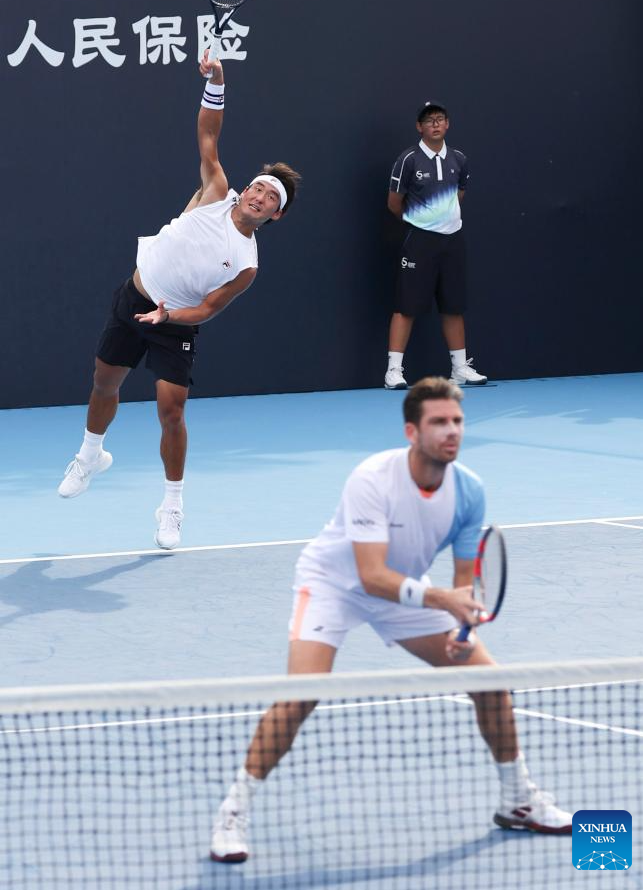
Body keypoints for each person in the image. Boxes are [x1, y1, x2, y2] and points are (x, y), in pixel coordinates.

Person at [209, 376, 571, 863]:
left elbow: (463, 584)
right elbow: (372, 575)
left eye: (457, 421)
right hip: (335, 586)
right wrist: (443, 600)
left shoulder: (469, 490)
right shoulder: (372, 479)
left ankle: (518, 800)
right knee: (300, 697)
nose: (452, 431)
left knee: (491, 683)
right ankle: (233, 811)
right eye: (439, 422)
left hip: (408, 592)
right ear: (411, 432)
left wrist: (464, 631)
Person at [57, 53, 301, 550]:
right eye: (258, 188)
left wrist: (169, 315)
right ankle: (90, 455)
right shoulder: (216, 191)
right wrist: (218, 80)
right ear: (245, 190)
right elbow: (208, 133)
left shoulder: (247, 264)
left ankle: (172, 505)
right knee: (104, 382)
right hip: (134, 298)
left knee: (171, 411)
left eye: (270, 198)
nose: (259, 197)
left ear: (275, 215)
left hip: (175, 323)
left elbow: (207, 310)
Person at [384, 102, 487, 390]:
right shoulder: (408, 160)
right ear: (420, 127)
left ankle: (459, 369)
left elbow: (459, 194)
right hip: (420, 240)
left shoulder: (459, 159)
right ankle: (393, 371)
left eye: (440, 119)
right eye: (429, 120)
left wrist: (443, 219)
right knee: (406, 306)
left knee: (453, 305)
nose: (435, 124)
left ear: (447, 124)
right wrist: (421, 222)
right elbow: (394, 203)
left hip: (453, 240)